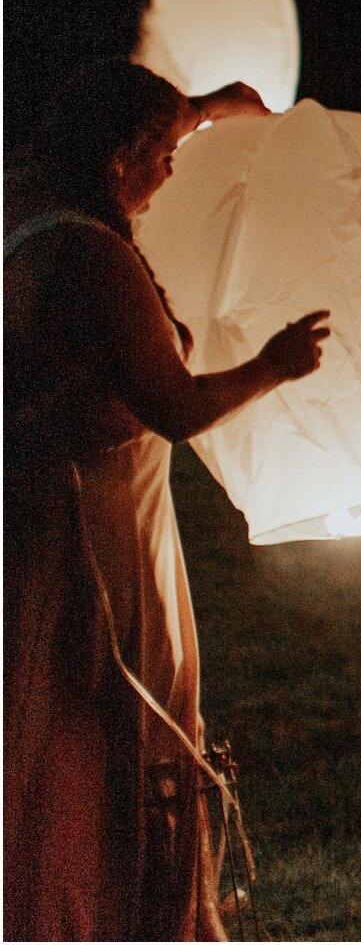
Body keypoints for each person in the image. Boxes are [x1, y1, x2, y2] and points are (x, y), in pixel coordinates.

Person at [5, 60, 329, 941]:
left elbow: (145, 117)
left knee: (44, 732)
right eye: (161, 153)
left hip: (35, 518)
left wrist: (210, 107)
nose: (172, 169)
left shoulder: (21, 198)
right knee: (108, 721)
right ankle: (121, 911)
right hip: (100, 541)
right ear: (118, 157)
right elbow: (176, 407)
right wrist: (275, 363)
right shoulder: (93, 258)